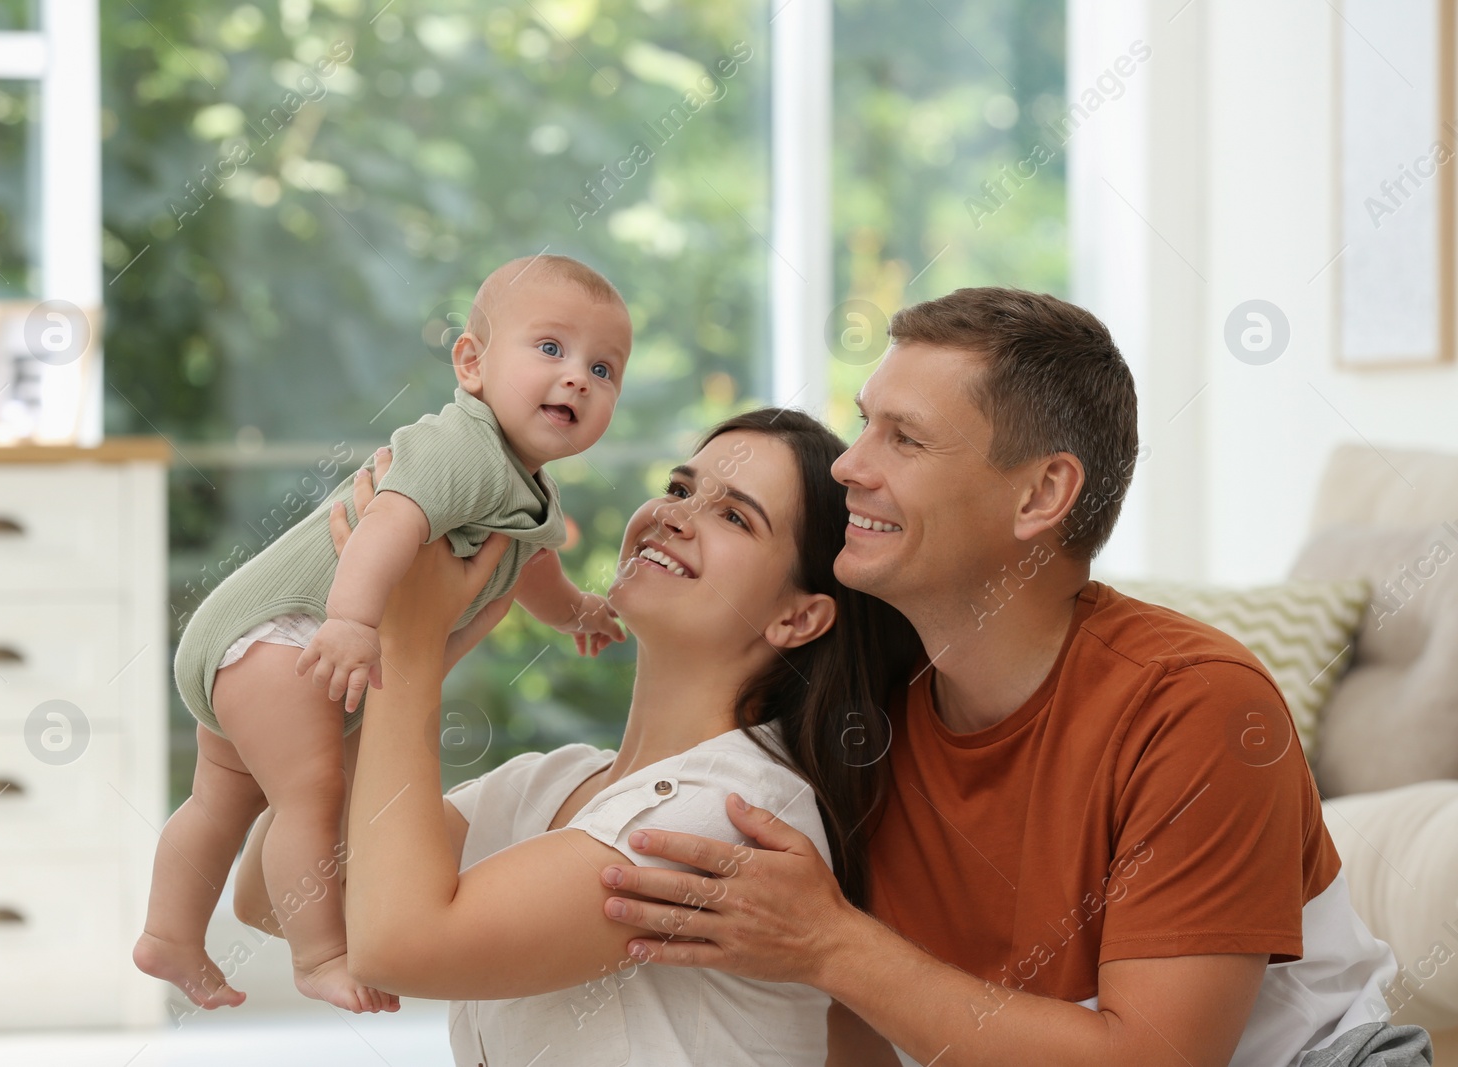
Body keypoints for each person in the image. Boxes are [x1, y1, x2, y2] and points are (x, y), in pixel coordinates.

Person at [595, 288, 1432, 1067]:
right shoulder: (866, 707)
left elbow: (1154, 1059)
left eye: (905, 438)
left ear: (1041, 494)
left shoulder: (1196, 705)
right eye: (863, 425)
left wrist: (831, 943)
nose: (850, 465)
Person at [234, 409, 921, 1064]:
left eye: (734, 515)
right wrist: (400, 645)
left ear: (798, 619)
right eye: (680, 487)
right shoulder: (552, 781)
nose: (673, 514)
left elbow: (399, 944)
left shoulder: (734, 814)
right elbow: (276, 897)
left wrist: (408, 647)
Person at [134, 254, 630, 1014]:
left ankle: (168, 932)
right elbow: (391, 515)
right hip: (289, 633)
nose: (577, 379)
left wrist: (577, 613)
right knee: (313, 794)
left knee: (221, 800)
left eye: (604, 368)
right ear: (471, 362)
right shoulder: (463, 447)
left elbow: (531, 569)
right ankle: (321, 954)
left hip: (254, 638)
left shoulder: (523, 487)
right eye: (551, 349)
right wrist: (352, 620)